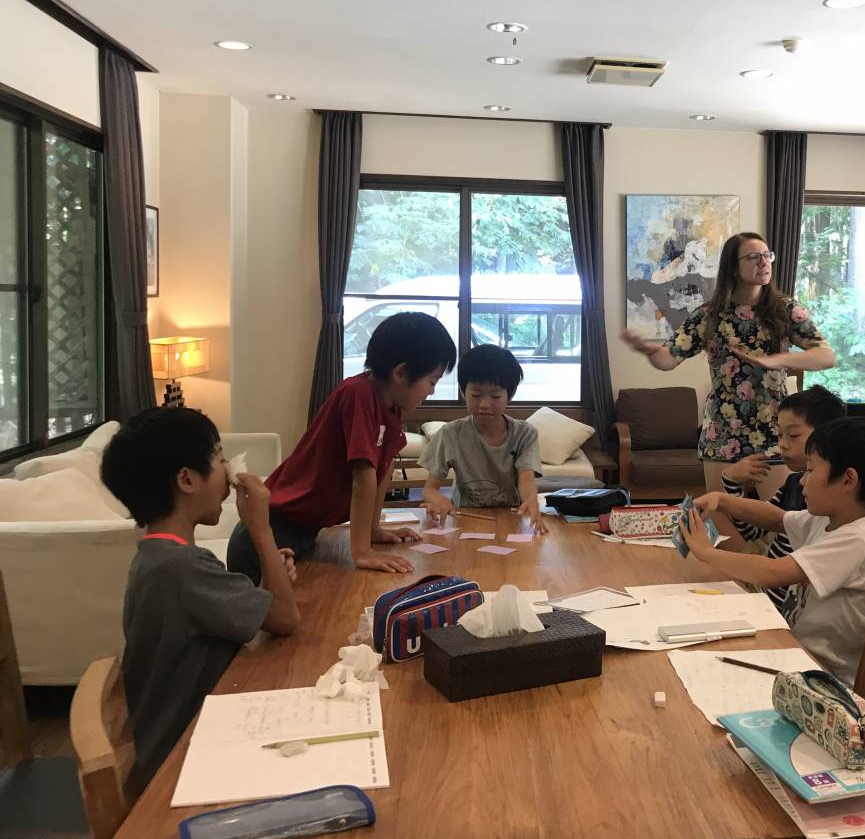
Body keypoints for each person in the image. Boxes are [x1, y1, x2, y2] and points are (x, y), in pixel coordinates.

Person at [100, 408, 300, 795]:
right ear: (187, 479)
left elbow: (265, 612)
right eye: (219, 459)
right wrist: (259, 525)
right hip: (179, 762)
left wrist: (270, 576)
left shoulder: (158, 556)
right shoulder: (182, 569)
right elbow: (286, 618)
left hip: (184, 740)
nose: (227, 471)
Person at [227, 311, 456, 579]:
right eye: (432, 381)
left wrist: (372, 530)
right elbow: (364, 475)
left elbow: (384, 468)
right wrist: (362, 551)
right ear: (401, 373)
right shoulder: (358, 393)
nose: (432, 391)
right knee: (279, 604)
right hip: (269, 533)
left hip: (303, 531)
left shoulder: (390, 406)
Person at [683, 417, 865, 688]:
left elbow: (772, 573)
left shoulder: (859, 539)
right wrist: (722, 500)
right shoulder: (831, 519)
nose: (802, 481)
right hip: (796, 651)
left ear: (847, 480)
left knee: (701, 664)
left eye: (811, 470)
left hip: (819, 676)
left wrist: (707, 552)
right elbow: (776, 518)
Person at [619, 231, 834, 497]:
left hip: (773, 430)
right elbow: (667, 360)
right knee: (721, 513)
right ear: (733, 267)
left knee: (776, 516)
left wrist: (776, 360)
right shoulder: (708, 315)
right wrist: (649, 350)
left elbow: (826, 356)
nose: (763, 262)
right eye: (753, 257)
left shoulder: (785, 309)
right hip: (722, 432)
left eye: (767, 255)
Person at [716, 385, 848, 615]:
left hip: (777, 603)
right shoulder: (793, 483)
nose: (783, 444)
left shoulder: (828, 499)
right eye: (779, 435)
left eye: (793, 435)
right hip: (768, 591)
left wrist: (708, 554)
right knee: (712, 509)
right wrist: (732, 482)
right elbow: (752, 531)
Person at [419, 343, 544, 531]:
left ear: (510, 394)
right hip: (465, 521)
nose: (484, 404)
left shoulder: (525, 434)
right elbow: (429, 489)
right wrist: (439, 500)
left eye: (495, 397)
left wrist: (530, 499)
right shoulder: (450, 434)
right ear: (463, 391)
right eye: (476, 395)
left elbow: (526, 479)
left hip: (512, 521)